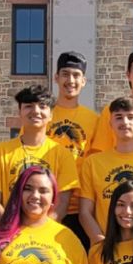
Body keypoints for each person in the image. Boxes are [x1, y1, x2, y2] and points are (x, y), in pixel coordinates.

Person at [77, 96, 133, 246]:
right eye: (119, 117)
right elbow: (85, 212)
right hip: (105, 247)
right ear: (110, 123)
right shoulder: (92, 163)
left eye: (131, 117)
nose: (125, 122)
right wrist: (101, 243)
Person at [0, 85, 80, 221]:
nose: (36, 111)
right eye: (28, 106)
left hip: (45, 236)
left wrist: (39, 232)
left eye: (42, 106)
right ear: (19, 112)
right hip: (7, 234)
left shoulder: (63, 155)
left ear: (51, 114)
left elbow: (62, 204)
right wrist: (11, 231)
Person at [48, 51, 100, 249]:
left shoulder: (94, 120)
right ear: (56, 78)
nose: (71, 80)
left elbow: (95, 163)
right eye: (65, 74)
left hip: (81, 210)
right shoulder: (44, 114)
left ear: (84, 81)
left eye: (76, 75)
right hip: (46, 205)